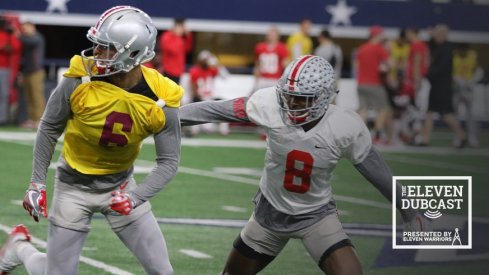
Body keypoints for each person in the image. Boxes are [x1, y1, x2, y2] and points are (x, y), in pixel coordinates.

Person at [179, 55, 427, 274]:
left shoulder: (343, 126)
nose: (291, 103)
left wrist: (409, 211)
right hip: (269, 215)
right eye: (288, 95)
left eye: (300, 98)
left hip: (316, 216)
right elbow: (215, 110)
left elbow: (377, 172)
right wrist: (167, 117)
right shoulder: (271, 106)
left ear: (323, 97)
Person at [0, 6, 183, 275]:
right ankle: (19, 248)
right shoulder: (81, 78)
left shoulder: (161, 96)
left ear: (133, 53)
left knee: (163, 271)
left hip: (120, 186)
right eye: (97, 45)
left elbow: (168, 162)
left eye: (107, 47)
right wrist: (37, 182)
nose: (96, 53)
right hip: (73, 187)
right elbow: (50, 126)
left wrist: (134, 197)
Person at [419, 24, 466, 147]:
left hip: (443, 86)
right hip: (436, 85)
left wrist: (426, 74)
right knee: (429, 113)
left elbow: (441, 68)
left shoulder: (447, 48)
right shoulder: (438, 46)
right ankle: (425, 140)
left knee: (446, 114)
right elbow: (430, 45)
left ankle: (461, 135)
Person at [355, 25, 392, 145]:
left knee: (363, 110)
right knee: (383, 109)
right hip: (374, 83)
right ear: (376, 35)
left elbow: (357, 66)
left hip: (361, 83)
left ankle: (360, 136)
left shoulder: (361, 48)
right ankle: (378, 135)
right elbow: (390, 63)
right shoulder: (379, 48)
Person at [189, 49, 229, 135]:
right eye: (205, 59)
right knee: (206, 128)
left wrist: (217, 63)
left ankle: (223, 131)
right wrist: (196, 97)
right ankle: (195, 129)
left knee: (224, 107)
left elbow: (225, 76)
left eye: (207, 59)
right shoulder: (195, 71)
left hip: (211, 98)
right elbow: (192, 87)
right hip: (200, 99)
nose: (206, 61)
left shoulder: (212, 70)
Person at [453, 43, 483, 147]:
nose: (462, 53)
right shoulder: (454, 57)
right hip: (456, 89)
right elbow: (451, 72)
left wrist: (471, 81)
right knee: (454, 115)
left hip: (468, 89)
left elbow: (478, 70)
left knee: (471, 115)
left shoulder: (472, 55)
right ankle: (458, 138)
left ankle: (473, 139)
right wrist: (457, 79)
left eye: (464, 50)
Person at [18, 21, 46, 129]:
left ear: (32, 27)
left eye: (26, 28)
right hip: (27, 71)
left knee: (37, 96)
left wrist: (18, 35)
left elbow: (31, 42)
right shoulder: (25, 39)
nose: (24, 31)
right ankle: (32, 119)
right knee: (28, 96)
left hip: (36, 71)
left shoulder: (37, 37)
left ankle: (39, 120)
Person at [253, 26, 288, 92]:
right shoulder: (260, 47)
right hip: (262, 79)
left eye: (273, 35)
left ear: (278, 36)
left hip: (275, 79)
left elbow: (285, 65)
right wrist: (256, 80)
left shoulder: (282, 47)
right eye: (269, 34)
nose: (271, 37)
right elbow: (257, 65)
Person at [159, 17, 193, 84]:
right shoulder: (167, 36)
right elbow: (173, 51)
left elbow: (188, 49)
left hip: (178, 71)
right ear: (175, 26)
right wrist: (177, 37)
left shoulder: (181, 38)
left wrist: (188, 36)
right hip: (168, 71)